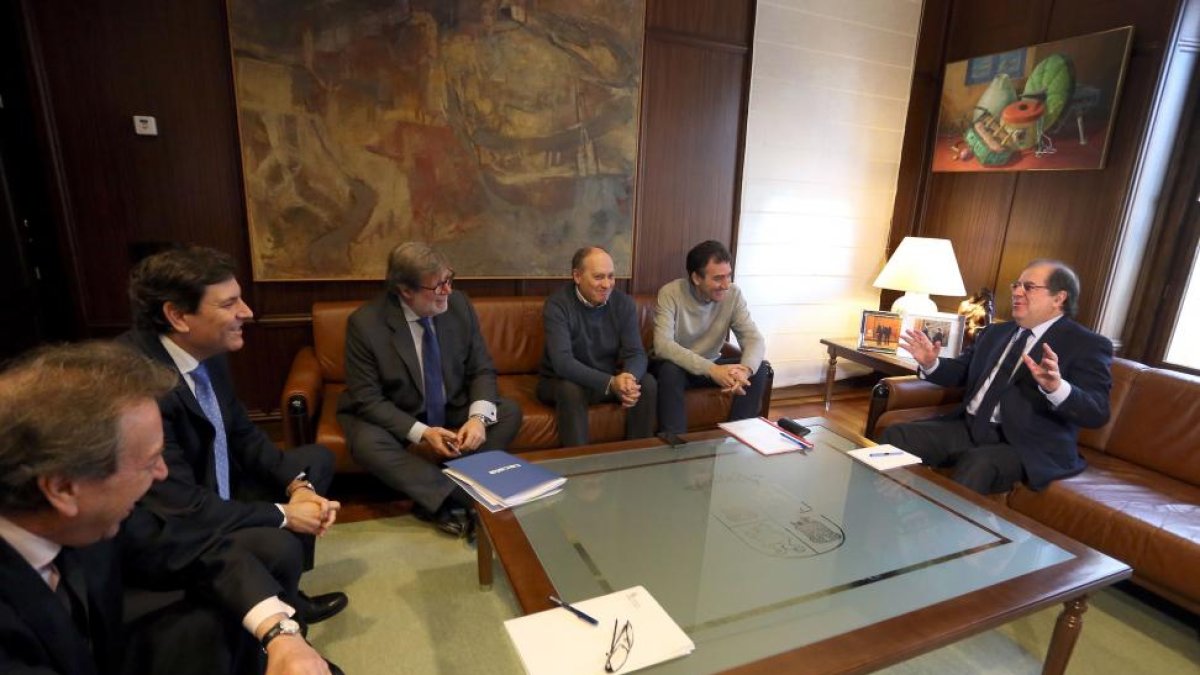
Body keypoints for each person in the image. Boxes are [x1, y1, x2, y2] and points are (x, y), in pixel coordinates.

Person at [0, 342, 334, 675]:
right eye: (148, 462)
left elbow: (194, 548)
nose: (162, 473)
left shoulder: (88, 515)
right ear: (63, 488)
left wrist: (280, 632)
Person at [121, 246, 348, 627]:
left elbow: (242, 433)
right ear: (177, 316)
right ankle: (276, 618)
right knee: (279, 542)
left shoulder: (206, 350)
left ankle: (287, 592)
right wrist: (284, 515)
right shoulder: (139, 385)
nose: (247, 312)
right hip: (173, 524)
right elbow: (180, 504)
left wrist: (298, 487)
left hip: (218, 482)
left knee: (316, 461)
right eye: (229, 304)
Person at [880, 259, 1113, 494]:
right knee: (897, 435)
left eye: (1028, 287)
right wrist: (931, 363)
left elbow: (1097, 412)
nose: (1016, 292)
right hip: (971, 427)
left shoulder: (1087, 345)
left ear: (1059, 298)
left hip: (1025, 444)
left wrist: (1056, 388)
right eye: (1016, 285)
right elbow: (962, 371)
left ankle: (942, 529)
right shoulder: (996, 332)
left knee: (979, 463)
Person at [337, 242, 522, 536]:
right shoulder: (366, 324)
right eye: (438, 286)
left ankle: (432, 496)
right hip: (400, 414)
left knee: (508, 411)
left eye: (449, 279)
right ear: (405, 290)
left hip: (451, 406)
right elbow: (368, 400)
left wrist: (477, 419)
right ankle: (460, 496)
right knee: (365, 443)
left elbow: (482, 368)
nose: (448, 291)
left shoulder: (459, 305)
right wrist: (423, 432)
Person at [537, 246, 656, 446]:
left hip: (605, 380)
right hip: (561, 381)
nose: (607, 284)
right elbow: (563, 363)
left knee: (647, 382)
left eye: (611, 276)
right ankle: (579, 464)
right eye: (599, 277)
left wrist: (628, 380)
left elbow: (636, 353)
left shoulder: (623, 303)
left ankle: (637, 456)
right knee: (570, 390)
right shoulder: (558, 305)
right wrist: (611, 382)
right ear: (577, 276)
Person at [651, 240, 768, 436]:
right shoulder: (670, 293)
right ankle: (675, 442)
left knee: (760, 367)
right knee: (670, 371)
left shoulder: (733, 294)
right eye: (718, 278)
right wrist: (712, 370)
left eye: (728, 276)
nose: (726, 284)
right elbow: (663, 345)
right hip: (679, 368)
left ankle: (736, 437)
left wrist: (745, 370)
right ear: (696, 277)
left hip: (712, 364)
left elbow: (753, 338)